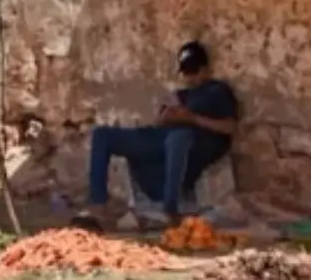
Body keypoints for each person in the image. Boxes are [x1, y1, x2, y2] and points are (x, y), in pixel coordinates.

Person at [85, 41, 238, 227]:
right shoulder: (183, 94)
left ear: (205, 70)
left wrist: (192, 118)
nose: (189, 78)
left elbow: (229, 127)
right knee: (102, 135)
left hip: (190, 143)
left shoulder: (218, 91)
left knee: (179, 137)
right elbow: (159, 122)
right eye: (186, 73)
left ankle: (170, 209)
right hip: (161, 140)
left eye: (194, 72)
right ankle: (97, 208)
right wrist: (167, 116)